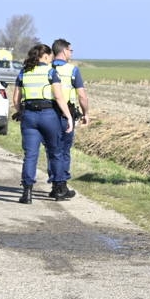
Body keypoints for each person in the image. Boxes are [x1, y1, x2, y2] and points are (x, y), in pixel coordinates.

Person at [9, 44, 73, 204]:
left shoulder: (23, 72)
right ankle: (58, 190)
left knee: (30, 155)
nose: (51, 58)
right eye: (50, 56)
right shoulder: (51, 72)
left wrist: (22, 112)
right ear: (45, 56)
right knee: (55, 153)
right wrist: (68, 116)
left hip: (29, 115)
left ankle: (27, 192)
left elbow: (15, 99)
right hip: (49, 115)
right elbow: (59, 97)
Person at [48, 38, 89, 201]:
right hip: (67, 114)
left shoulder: (46, 68)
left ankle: (55, 184)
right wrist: (86, 113)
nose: (71, 53)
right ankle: (61, 185)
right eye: (70, 50)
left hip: (48, 113)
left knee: (52, 151)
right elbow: (82, 95)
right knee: (64, 151)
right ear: (64, 51)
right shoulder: (72, 70)